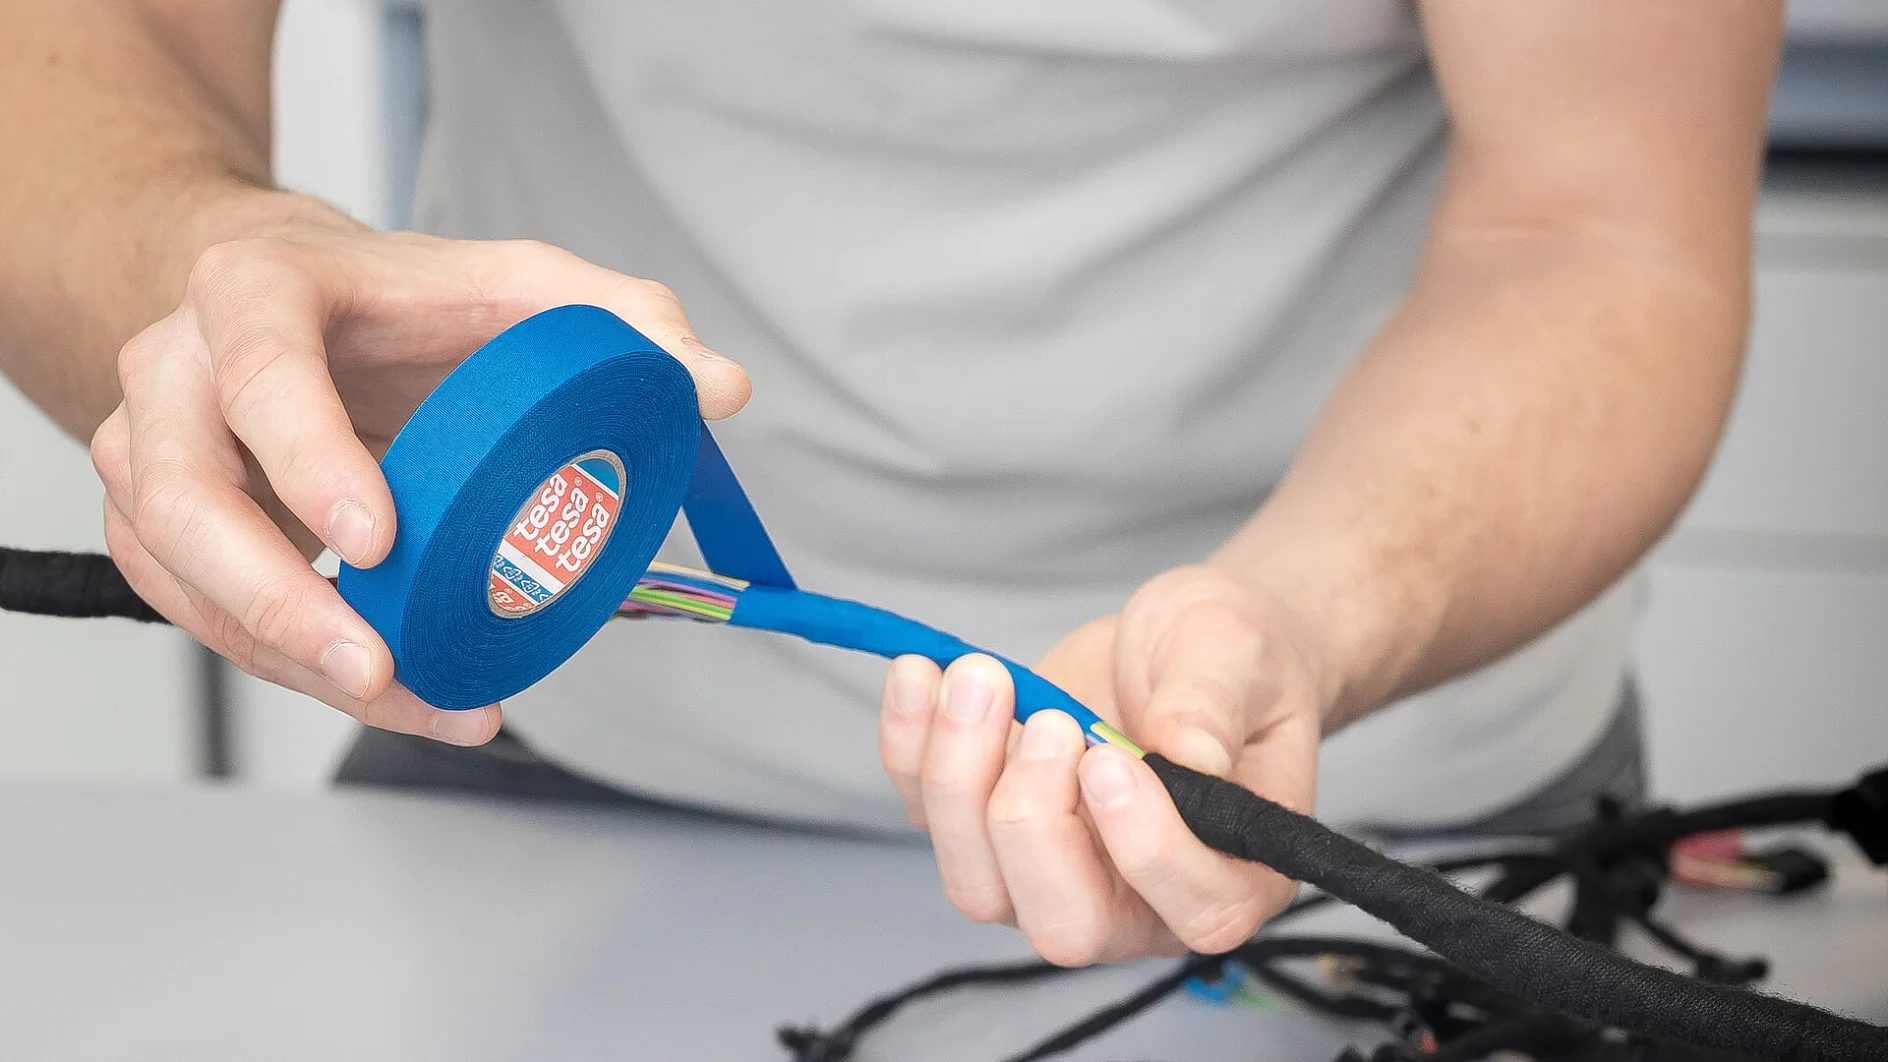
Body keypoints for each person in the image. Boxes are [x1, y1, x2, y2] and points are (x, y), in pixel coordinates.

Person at [0, 1, 1781, 966]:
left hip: (1371, 810)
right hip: (541, 734)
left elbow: (1601, 229)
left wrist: (1298, 621)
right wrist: (208, 258)